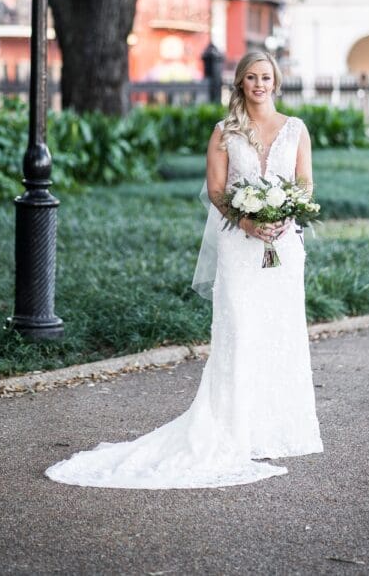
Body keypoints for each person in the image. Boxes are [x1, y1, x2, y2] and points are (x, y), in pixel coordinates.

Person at [45, 51, 323, 489]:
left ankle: (277, 427)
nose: (259, 84)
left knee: (279, 332)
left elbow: (304, 185)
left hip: (285, 248)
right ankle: (234, 428)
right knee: (242, 330)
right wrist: (249, 221)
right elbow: (217, 191)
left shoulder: (296, 129)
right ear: (240, 84)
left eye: (266, 77)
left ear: (277, 81)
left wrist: (285, 216)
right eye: (251, 77)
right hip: (239, 246)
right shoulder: (224, 133)